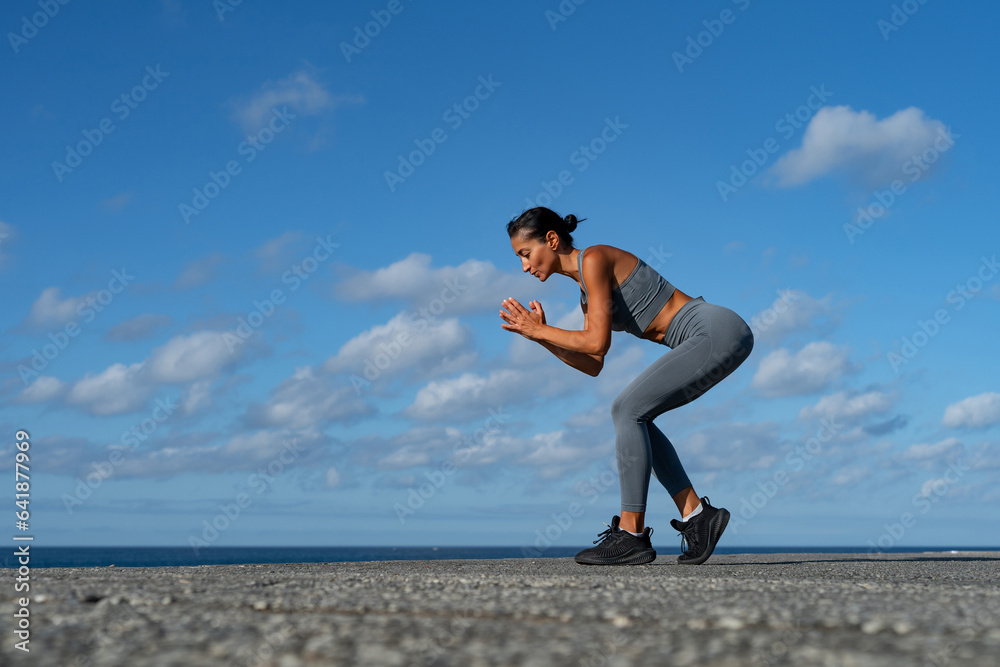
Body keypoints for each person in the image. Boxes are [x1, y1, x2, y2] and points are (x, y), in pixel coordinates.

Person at [500, 207, 754, 566]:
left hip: (713, 329)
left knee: (626, 409)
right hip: (712, 336)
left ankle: (632, 533)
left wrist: (538, 329)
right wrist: (542, 338)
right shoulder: (587, 292)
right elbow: (593, 364)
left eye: (525, 254)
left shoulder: (595, 258)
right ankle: (698, 516)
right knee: (638, 417)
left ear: (552, 240)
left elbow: (595, 342)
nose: (525, 267)